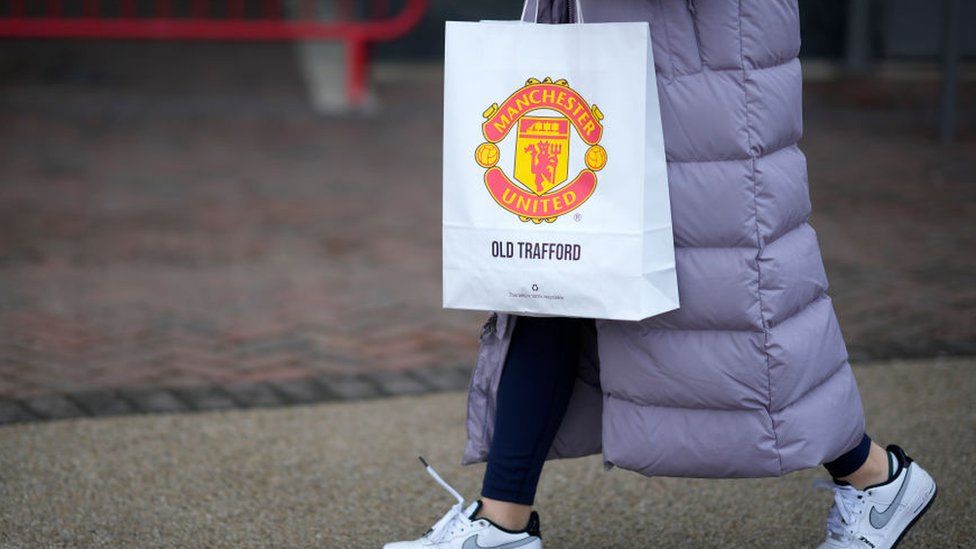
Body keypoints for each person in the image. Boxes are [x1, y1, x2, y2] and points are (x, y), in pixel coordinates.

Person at [385, 1, 936, 548]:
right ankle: (502, 518)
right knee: (550, 273)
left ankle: (873, 474)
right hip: (616, 45)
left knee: (733, 307)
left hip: (698, 69)